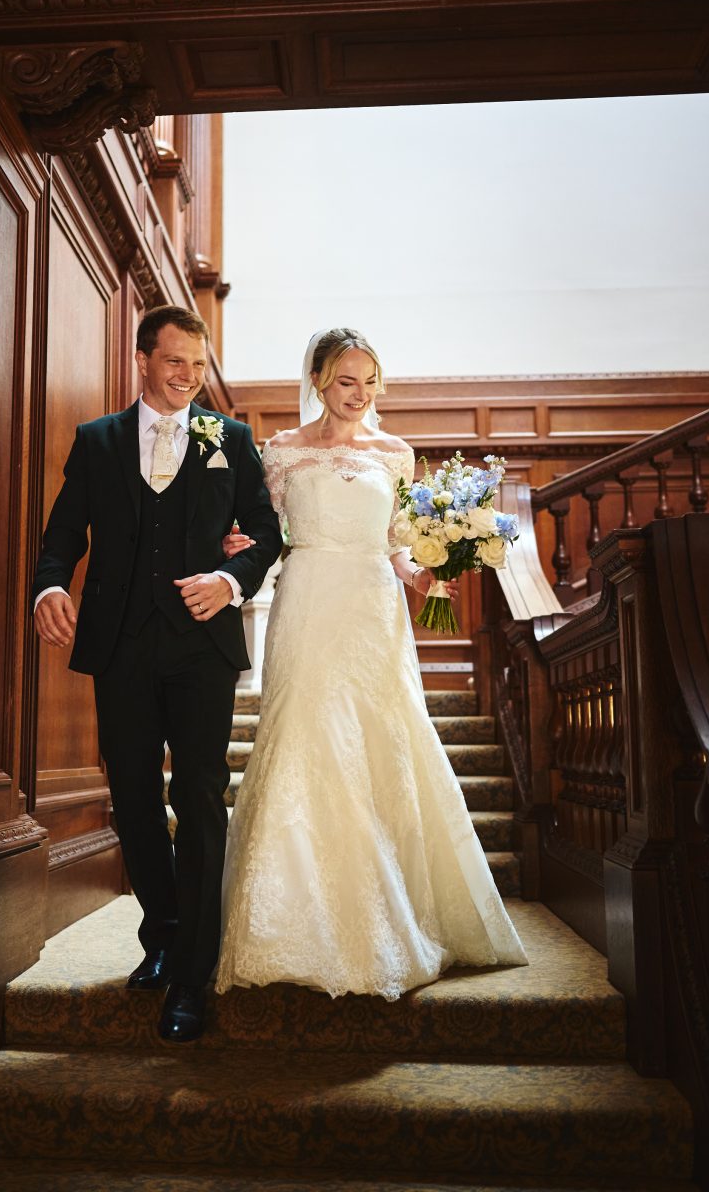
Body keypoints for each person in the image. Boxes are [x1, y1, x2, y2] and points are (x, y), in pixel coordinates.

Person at [215, 328, 527, 999]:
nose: (358, 394)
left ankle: (393, 910)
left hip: (373, 607)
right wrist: (236, 541)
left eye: (368, 381)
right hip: (306, 599)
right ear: (320, 381)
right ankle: (288, 922)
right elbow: (265, 534)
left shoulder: (395, 452)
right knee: (303, 736)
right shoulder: (281, 451)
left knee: (378, 740)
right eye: (344, 381)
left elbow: (395, 546)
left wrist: (431, 572)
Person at [31, 304, 282, 1041]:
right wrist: (49, 585)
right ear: (142, 360)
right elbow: (60, 538)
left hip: (201, 646)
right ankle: (164, 932)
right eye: (175, 363)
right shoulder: (98, 440)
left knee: (199, 794)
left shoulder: (228, 438)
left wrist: (230, 582)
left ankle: (192, 977)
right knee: (133, 796)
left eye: (198, 367)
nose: (188, 379)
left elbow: (265, 532)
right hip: (121, 644)